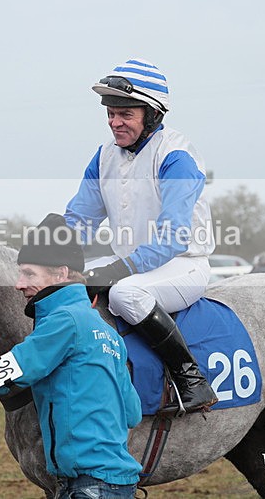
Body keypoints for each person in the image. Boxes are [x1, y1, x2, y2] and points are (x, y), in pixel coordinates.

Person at [0, 213, 142, 498]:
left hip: (88, 486)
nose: (18, 284)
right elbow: (133, 412)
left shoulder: (63, 323)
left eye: (29, 273)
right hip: (115, 483)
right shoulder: (106, 332)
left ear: (61, 275)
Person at [64, 58, 217, 413]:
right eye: (110, 114)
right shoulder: (103, 157)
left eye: (125, 114)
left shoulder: (176, 156)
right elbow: (80, 218)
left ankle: (190, 378)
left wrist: (119, 269)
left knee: (124, 294)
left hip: (183, 265)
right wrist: (43, 256)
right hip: (134, 264)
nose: (115, 122)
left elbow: (174, 235)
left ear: (152, 114)